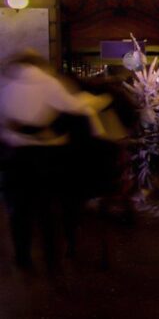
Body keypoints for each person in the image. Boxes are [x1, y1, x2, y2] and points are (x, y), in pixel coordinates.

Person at [0, 52, 102, 273]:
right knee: (46, 207)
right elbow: (75, 106)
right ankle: (51, 257)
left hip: (14, 155)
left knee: (19, 209)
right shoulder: (49, 83)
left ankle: (22, 256)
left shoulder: (4, 84)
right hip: (44, 155)